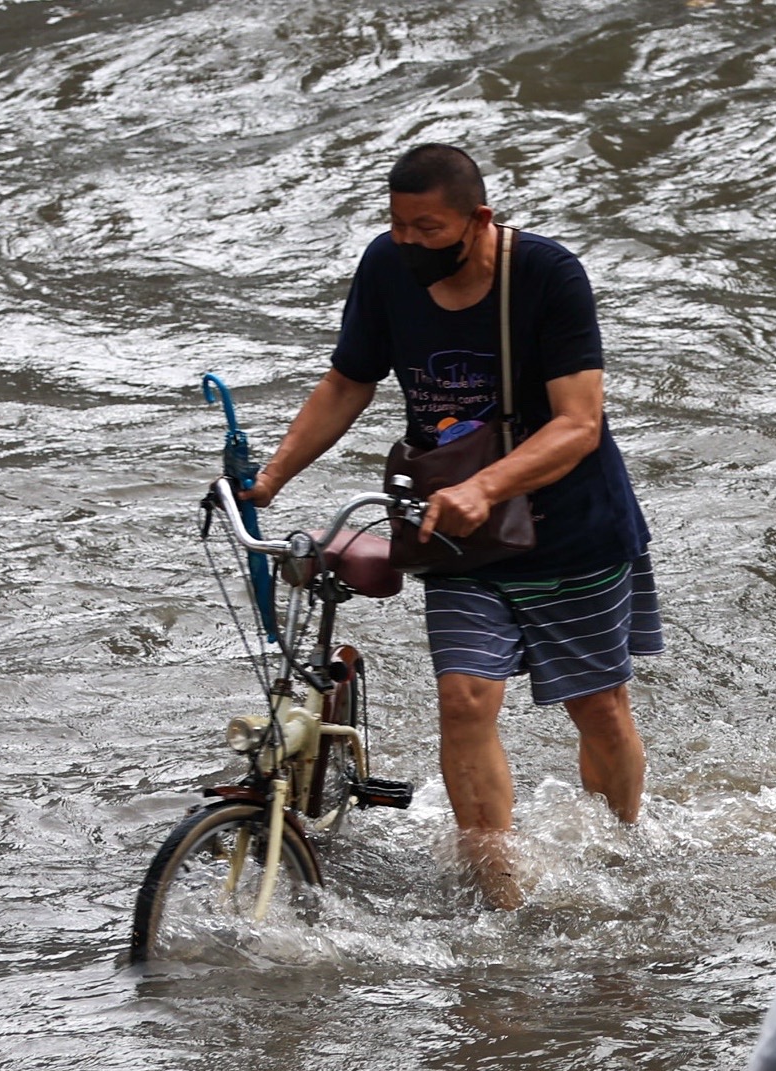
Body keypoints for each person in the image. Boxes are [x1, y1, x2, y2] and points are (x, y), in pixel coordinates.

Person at [250, 142, 658, 910]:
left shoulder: (547, 276)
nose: (408, 244)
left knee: (598, 710)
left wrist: (487, 484)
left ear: (479, 220)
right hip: (458, 534)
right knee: (464, 699)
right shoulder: (385, 267)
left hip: (571, 527)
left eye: (428, 229)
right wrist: (270, 478)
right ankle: (497, 892)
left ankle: (623, 850)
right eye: (398, 226)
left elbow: (578, 423)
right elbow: (348, 381)